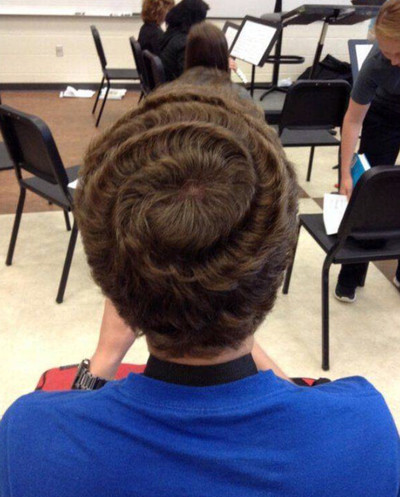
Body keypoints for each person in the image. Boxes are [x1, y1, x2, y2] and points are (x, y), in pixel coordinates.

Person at [1, 81, 399, 497]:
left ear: (109, 283)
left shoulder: (30, 439)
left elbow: (70, 421)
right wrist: (234, 319)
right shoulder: (364, 429)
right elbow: (307, 408)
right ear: (277, 267)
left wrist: (102, 360)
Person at [336, 0, 400, 303]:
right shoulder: (376, 62)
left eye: (399, 53)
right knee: (370, 189)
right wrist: (346, 172)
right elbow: (352, 120)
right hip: (384, 112)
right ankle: (351, 273)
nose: (394, 61)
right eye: (388, 54)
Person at [159, 0, 209, 81]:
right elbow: (188, 79)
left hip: (170, 84)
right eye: (202, 20)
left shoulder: (171, 34)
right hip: (177, 86)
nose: (203, 24)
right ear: (195, 20)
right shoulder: (184, 44)